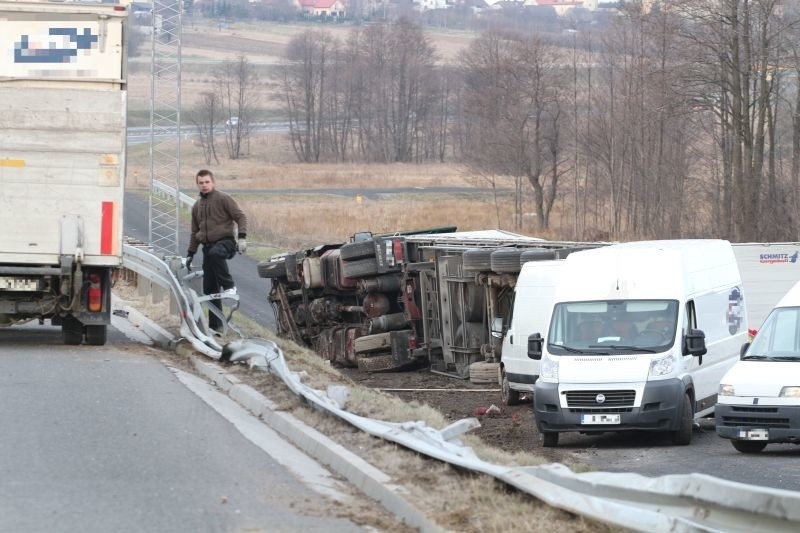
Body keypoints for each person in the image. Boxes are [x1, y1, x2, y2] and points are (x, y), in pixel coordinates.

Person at [186, 169, 248, 333]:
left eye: (207, 182)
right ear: (197, 184)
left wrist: (242, 237)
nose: (204, 185)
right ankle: (216, 327)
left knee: (215, 253)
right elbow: (194, 232)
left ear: (213, 182)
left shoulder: (223, 198)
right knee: (210, 289)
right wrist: (190, 254)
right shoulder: (196, 206)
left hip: (226, 243)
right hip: (208, 248)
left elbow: (241, 217)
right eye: (201, 183)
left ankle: (230, 286)